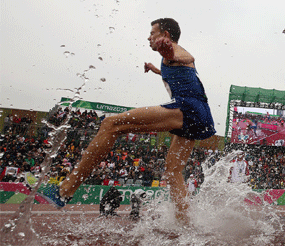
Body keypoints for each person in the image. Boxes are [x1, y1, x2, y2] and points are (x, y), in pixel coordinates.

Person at [41, 18, 216, 224]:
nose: (148, 37)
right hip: (201, 113)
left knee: (111, 124)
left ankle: (65, 190)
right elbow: (181, 66)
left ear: (165, 35)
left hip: (187, 108)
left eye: (152, 33)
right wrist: (155, 68)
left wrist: (167, 51)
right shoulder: (169, 60)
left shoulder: (175, 51)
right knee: (174, 169)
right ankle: (185, 222)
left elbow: (184, 56)